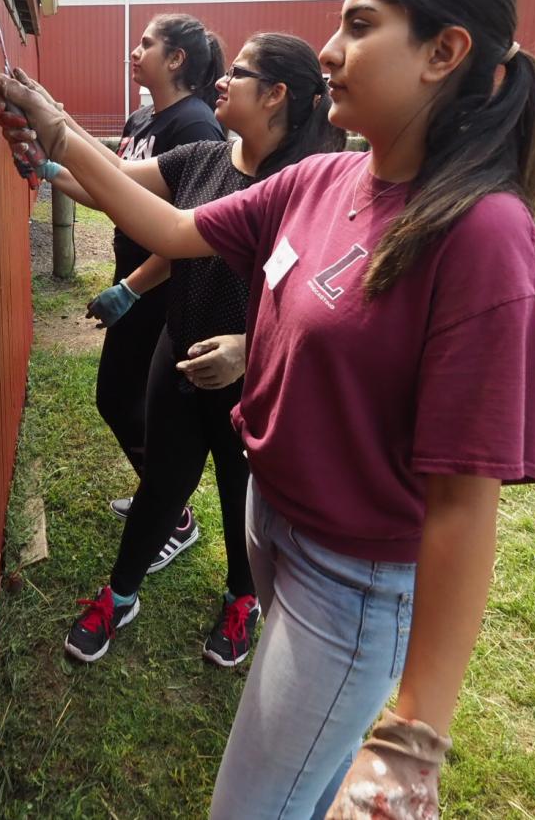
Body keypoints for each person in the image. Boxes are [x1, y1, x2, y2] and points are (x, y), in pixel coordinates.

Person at [0, 0, 535, 819]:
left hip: (353, 579)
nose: (330, 50)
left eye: (360, 25)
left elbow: (463, 505)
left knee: (249, 806)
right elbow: (171, 228)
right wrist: (56, 130)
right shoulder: (324, 181)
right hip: (274, 521)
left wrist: (414, 736)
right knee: (305, 786)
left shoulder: (482, 237)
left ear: (445, 52)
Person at [32, 35, 340, 666]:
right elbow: (115, 185)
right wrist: (50, 160)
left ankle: (240, 597)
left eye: (240, 74)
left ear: (277, 95)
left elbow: (318, 306)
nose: (221, 81)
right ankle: (120, 595)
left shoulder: (304, 190)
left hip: (251, 375)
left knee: (239, 492)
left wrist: (248, 348)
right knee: (161, 484)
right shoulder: (204, 157)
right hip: (180, 349)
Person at [86, 14, 226, 570]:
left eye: (147, 44)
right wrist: (54, 165)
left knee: (128, 401)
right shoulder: (143, 117)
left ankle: (172, 512)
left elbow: (190, 230)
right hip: (132, 279)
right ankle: (160, 500)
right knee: (121, 398)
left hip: (161, 290)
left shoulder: (196, 128)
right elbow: (117, 190)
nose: (134, 50)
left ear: (176, 60)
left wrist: (130, 288)